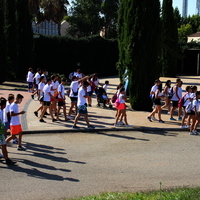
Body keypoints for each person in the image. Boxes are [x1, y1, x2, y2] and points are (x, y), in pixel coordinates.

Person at [0, 97, 16, 165]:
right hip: (0, 132)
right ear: (3, 105)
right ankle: (7, 160)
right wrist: (4, 131)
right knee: (3, 146)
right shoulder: (0, 112)